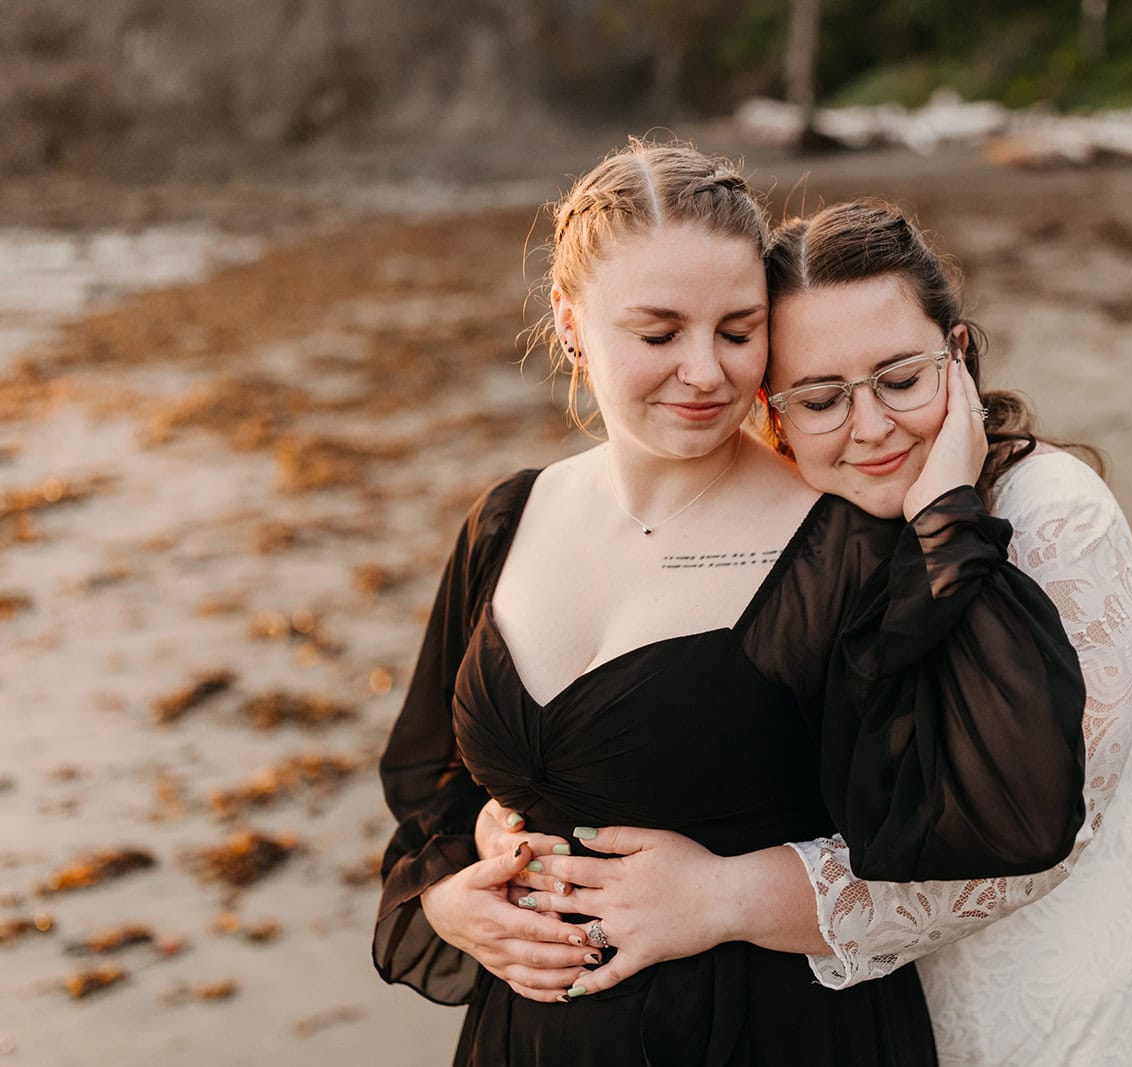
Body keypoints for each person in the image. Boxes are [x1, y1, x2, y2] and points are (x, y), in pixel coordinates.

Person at [373, 143, 1091, 1066]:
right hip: (527, 1040)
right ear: (569, 322)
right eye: (659, 332)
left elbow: (1009, 810)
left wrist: (949, 519)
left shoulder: (843, 550)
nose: (707, 372)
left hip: (774, 1034)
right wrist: (445, 892)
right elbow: (433, 778)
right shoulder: (506, 519)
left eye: (739, 329)